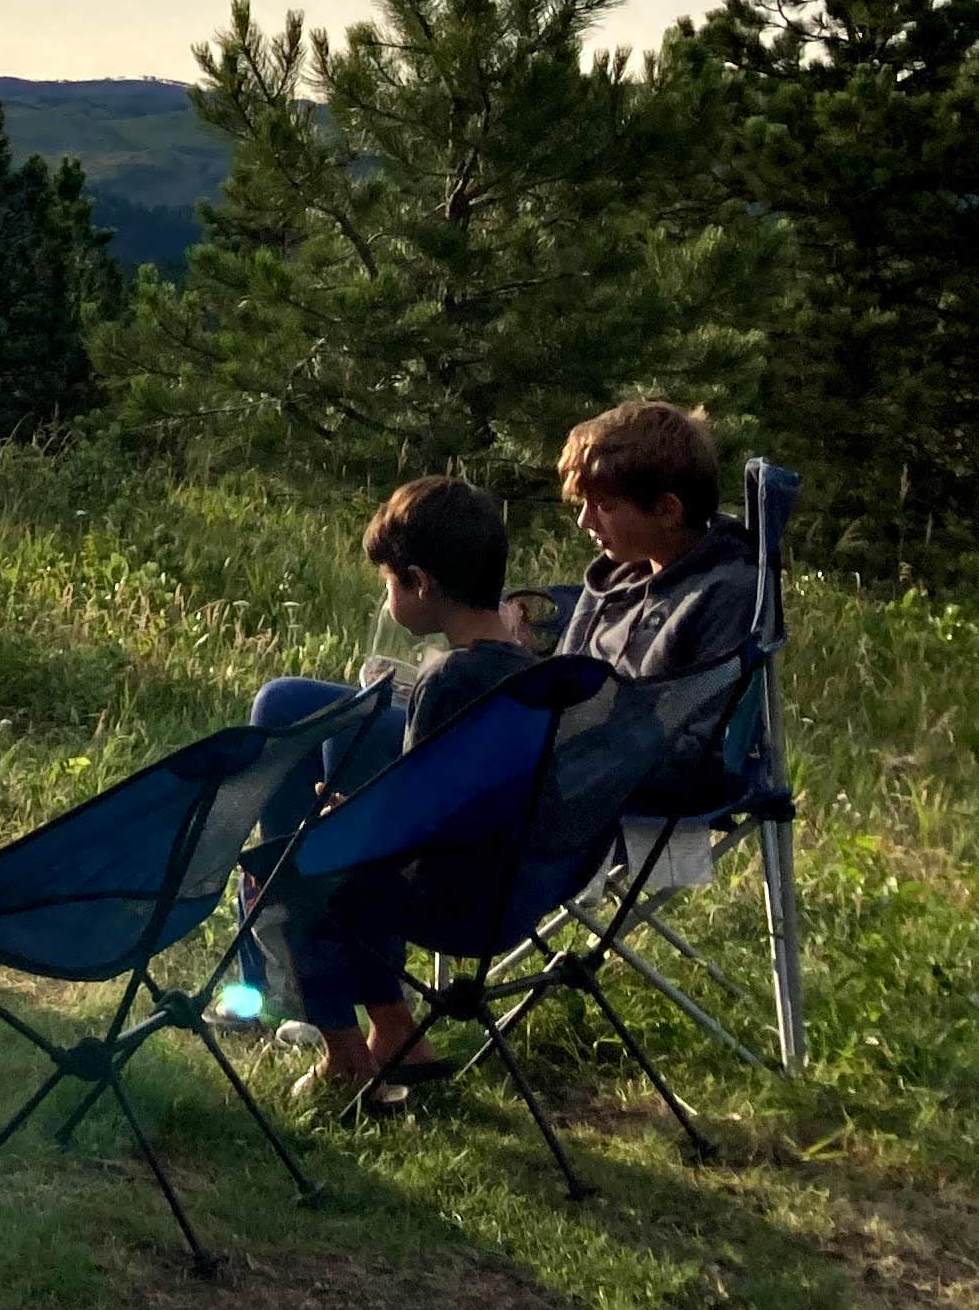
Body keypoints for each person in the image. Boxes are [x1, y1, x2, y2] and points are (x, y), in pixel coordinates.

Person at [239, 478, 540, 1100]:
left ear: (420, 583)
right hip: (512, 876)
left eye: (388, 583)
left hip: (446, 891)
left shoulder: (446, 683)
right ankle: (400, 1038)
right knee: (323, 824)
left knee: (295, 863)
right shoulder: (528, 672)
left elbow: (408, 823)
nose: (386, 595)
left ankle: (345, 1058)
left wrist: (346, 813)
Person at [514, 398, 760, 684]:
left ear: (667, 510)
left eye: (604, 506)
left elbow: (691, 718)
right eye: (583, 504)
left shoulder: (723, 596)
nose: (584, 521)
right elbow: (561, 690)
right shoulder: (613, 579)